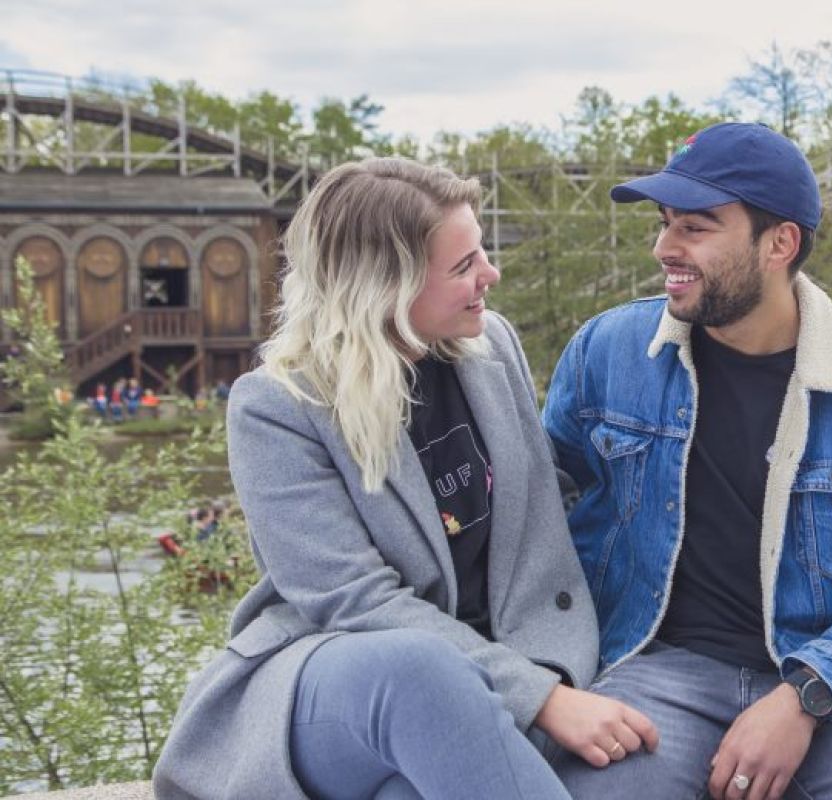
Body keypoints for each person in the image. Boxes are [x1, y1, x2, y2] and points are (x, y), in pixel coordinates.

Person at [154, 158, 656, 799]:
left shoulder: (492, 346)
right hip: (349, 679)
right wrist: (542, 698)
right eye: (462, 266)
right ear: (384, 287)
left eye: (481, 252)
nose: (490, 275)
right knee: (421, 670)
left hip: (499, 663)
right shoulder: (277, 407)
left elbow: (552, 499)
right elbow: (353, 603)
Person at [544, 122, 832, 800]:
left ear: (780, 242)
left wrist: (806, 694)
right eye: (663, 224)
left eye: (695, 228)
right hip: (654, 669)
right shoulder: (604, 352)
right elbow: (534, 528)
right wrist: (543, 681)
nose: (664, 248)